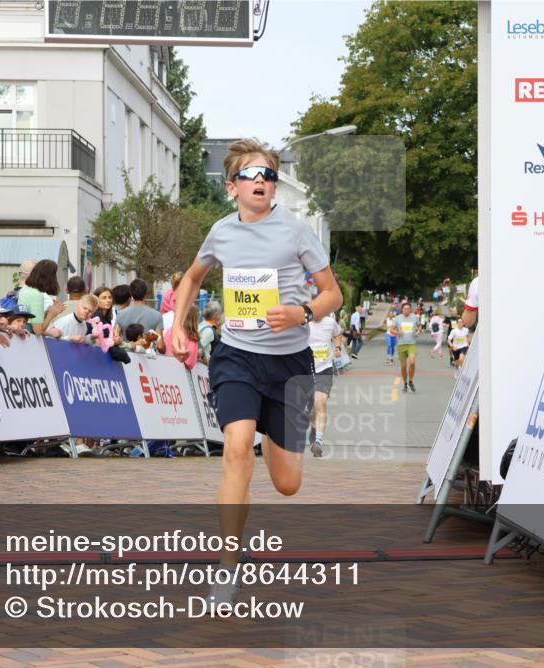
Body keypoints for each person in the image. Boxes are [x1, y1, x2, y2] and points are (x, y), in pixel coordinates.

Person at [169, 138, 342, 605]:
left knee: (287, 484)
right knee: (235, 450)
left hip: (289, 364)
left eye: (268, 173)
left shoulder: (297, 229)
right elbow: (191, 277)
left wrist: (302, 313)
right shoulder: (221, 232)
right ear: (233, 187)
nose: (262, 180)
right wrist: (177, 327)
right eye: (252, 174)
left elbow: (333, 294)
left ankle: (272, 433)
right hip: (238, 356)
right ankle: (227, 566)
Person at [307, 310, 343, 457]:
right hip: (306, 370)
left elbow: (338, 334)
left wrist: (337, 347)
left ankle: (318, 442)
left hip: (325, 369)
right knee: (311, 409)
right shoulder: (303, 324)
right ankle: (314, 428)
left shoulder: (329, 322)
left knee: (320, 402)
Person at [17, 259, 66, 335]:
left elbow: (30, 318)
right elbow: (38, 331)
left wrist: (47, 312)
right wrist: (51, 314)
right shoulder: (37, 296)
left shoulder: (26, 289)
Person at [115, 278, 163, 351]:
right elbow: (160, 346)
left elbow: (115, 338)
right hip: (148, 358)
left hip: (127, 356)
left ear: (130, 293)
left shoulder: (120, 314)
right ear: (146, 292)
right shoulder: (157, 315)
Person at [393, 301, 421, 392]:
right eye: (405, 309)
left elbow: (420, 326)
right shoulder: (397, 318)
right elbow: (391, 330)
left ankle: (411, 381)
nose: (406, 310)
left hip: (411, 343)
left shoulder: (414, 317)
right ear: (402, 310)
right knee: (403, 366)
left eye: (408, 309)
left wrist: (418, 332)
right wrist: (397, 332)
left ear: (410, 310)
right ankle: (405, 383)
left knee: (412, 362)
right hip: (401, 344)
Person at [163, 303, 200, 369]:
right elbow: (189, 363)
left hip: (165, 366)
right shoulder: (191, 337)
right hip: (179, 373)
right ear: (195, 319)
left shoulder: (171, 330)